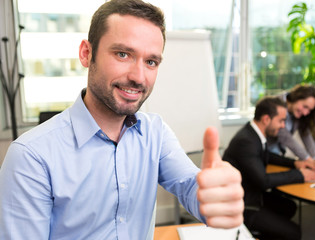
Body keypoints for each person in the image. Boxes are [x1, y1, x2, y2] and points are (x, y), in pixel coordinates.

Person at [0, 1, 244, 239]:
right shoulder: (31, 156)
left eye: (151, 62)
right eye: (123, 54)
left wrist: (214, 197)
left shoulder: (155, 133)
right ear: (87, 54)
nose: (138, 77)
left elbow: (191, 187)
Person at [222, 97, 315, 240]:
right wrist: (300, 174)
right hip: (243, 205)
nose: (283, 126)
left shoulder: (253, 133)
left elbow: (267, 155)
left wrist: (295, 164)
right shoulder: (246, 141)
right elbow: (263, 181)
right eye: (281, 121)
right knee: (294, 233)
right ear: (266, 119)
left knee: (289, 207)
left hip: (251, 193)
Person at [268, 84, 315, 162]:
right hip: (264, 151)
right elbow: (285, 137)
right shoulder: (277, 104)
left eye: (309, 110)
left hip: (277, 153)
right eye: (305, 106)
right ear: (297, 97)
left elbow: (306, 135)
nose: (305, 113)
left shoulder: (297, 112)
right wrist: (308, 160)